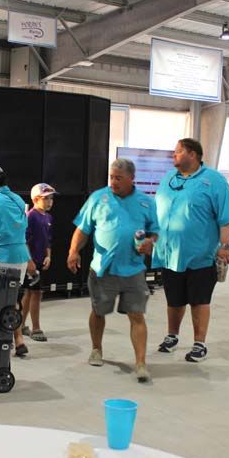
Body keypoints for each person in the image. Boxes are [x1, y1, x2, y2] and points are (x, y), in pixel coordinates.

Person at [68, 158, 158, 383]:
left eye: (118, 178)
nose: (113, 182)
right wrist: (73, 252)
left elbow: (154, 231)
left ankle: (140, 363)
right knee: (99, 311)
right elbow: (83, 229)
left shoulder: (146, 202)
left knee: (137, 315)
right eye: (111, 177)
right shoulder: (99, 197)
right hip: (103, 268)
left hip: (134, 269)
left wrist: (150, 242)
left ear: (131, 178)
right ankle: (96, 349)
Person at [153, 138, 229, 363]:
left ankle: (199, 344)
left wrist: (224, 246)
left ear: (193, 154)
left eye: (178, 152)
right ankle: (172, 337)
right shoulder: (169, 179)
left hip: (200, 255)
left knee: (199, 300)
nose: (174, 156)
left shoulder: (214, 181)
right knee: (174, 299)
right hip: (170, 253)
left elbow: (226, 218)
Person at [0, 164, 34, 357]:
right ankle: (18, 340)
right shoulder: (18, 200)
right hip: (20, 257)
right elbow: (22, 226)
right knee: (13, 299)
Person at [21, 183, 56, 343]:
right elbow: (25, 240)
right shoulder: (31, 216)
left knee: (32, 293)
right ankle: (36, 328)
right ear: (36, 199)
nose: (50, 201)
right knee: (33, 293)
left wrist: (48, 256)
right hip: (32, 262)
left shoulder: (48, 218)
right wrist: (30, 262)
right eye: (46, 198)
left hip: (42, 261)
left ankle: (21, 325)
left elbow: (48, 240)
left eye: (51, 198)